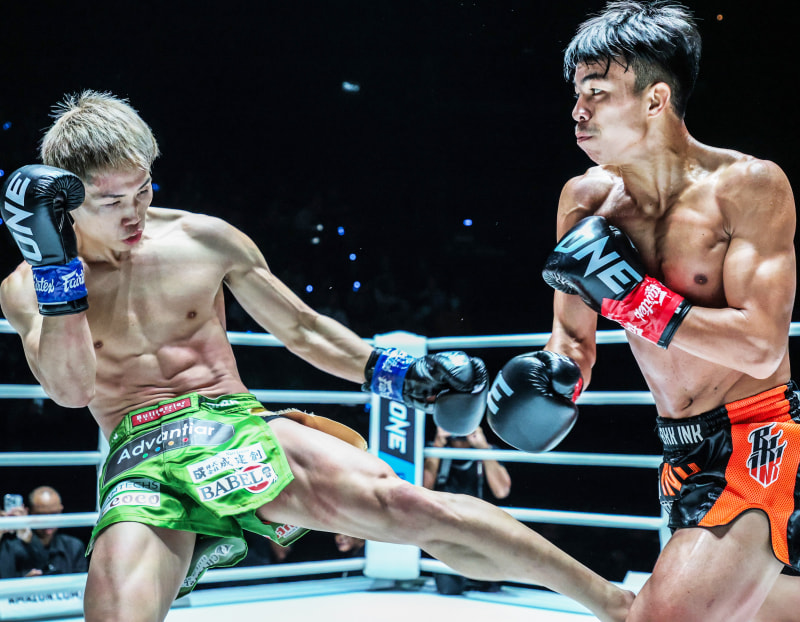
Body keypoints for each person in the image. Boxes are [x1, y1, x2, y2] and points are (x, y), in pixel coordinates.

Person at [0, 91, 633, 622]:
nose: (135, 212)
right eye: (111, 202)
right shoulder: (29, 286)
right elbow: (70, 390)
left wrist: (401, 375)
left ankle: (616, 605)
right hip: (140, 450)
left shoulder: (202, 239)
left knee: (410, 505)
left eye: (143, 190)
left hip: (232, 422)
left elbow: (302, 328)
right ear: (64, 203)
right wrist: (58, 274)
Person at [486, 2, 799, 621]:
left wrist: (636, 300)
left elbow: (761, 345)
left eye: (597, 93)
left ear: (656, 99)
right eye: (577, 93)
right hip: (678, 452)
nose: (578, 110)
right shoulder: (585, 199)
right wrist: (549, 378)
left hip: (760, 436)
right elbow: (572, 342)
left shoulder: (749, 186)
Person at [423, 425, 510, 595]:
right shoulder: (434, 450)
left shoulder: (488, 450)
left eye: (463, 426)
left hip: (481, 531)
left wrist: (483, 448)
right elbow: (423, 487)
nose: (459, 433)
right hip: (447, 532)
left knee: (490, 587)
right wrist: (438, 445)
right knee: (448, 588)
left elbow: (501, 491)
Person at [12, 486, 88, 577]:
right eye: (41, 515)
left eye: (54, 514)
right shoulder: (11, 548)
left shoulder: (74, 547)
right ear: (29, 512)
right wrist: (23, 584)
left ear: (61, 510)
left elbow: (81, 585)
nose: (48, 521)